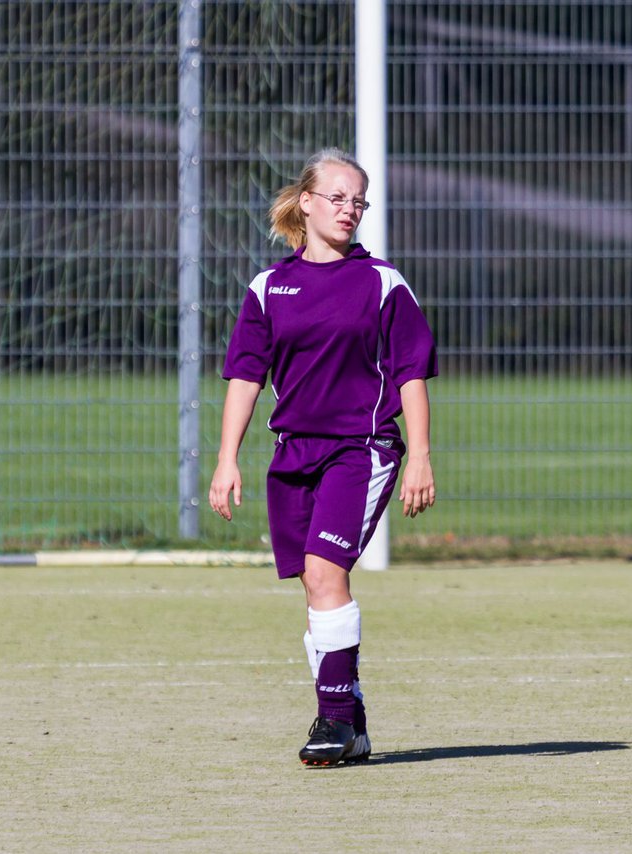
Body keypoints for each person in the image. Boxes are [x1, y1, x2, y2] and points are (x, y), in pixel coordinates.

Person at [208, 148, 438, 767]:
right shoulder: (268, 286)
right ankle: (353, 724)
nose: (349, 209)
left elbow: (412, 373)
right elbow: (245, 377)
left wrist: (419, 454)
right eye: (337, 197)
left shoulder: (382, 283)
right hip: (293, 453)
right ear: (306, 202)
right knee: (313, 582)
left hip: (361, 451)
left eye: (358, 200)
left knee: (326, 572)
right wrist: (226, 458)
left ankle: (334, 720)